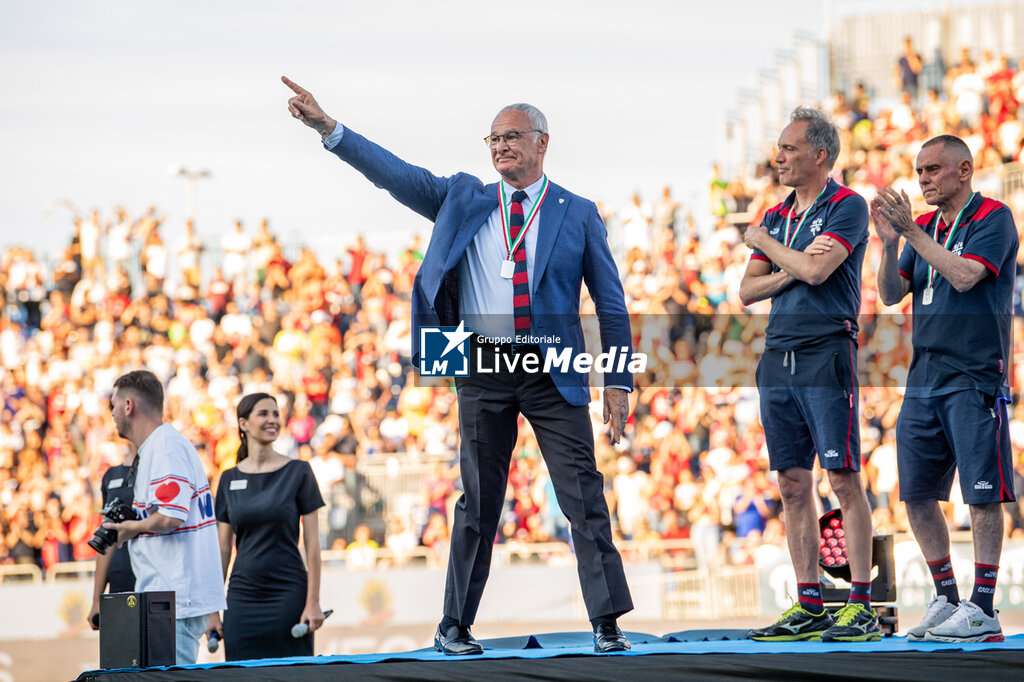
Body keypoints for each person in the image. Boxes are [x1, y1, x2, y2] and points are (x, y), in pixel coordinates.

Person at [283, 76, 635, 654]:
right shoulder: (463, 196)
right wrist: (330, 129)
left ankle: (606, 621)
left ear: (542, 142)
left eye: (512, 136)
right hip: (483, 367)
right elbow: (395, 173)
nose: (499, 147)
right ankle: (454, 624)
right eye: (492, 138)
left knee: (582, 495)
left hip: (554, 372)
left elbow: (611, 302)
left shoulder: (577, 212)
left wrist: (617, 381)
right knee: (478, 500)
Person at [740, 107, 879, 642]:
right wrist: (792, 265)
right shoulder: (776, 213)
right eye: (779, 148)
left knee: (842, 478)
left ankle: (861, 602)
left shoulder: (847, 206)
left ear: (820, 155)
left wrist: (770, 251)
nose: (779, 157)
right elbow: (747, 292)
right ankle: (810, 603)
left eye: (790, 149)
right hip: (777, 356)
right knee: (792, 484)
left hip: (826, 352)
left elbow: (820, 272)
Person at [872, 134, 1018, 643]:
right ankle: (946, 597)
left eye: (933, 169)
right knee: (914, 492)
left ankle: (983, 607)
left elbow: (963, 276)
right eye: (919, 172)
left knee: (981, 494)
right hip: (923, 378)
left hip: (975, 373)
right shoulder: (928, 227)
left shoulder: (993, 218)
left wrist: (910, 232)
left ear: (964, 169)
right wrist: (891, 245)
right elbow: (891, 295)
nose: (923, 179)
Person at [103, 370, 226, 665]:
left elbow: (172, 516)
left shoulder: (165, 447)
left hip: (176, 596)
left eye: (114, 406)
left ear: (129, 406)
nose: (113, 414)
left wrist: (131, 528)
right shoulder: (159, 446)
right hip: (169, 594)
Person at [206, 393, 326, 660]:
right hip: (241, 599)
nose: (273, 419)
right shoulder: (228, 479)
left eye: (275, 414)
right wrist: (213, 610)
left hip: (289, 597)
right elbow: (222, 550)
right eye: (264, 413)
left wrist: (313, 602)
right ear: (243, 423)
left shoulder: (299, 472)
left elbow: (313, 546)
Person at [87, 448, 138, 631]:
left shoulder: (157, 470)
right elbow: (106, 537)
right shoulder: (111, 475)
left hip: (149, 579)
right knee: (119, 654)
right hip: (119, 578)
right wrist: (97, 600)